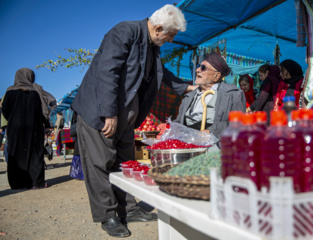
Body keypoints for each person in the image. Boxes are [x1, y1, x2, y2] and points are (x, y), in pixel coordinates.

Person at [71, 4, 197, 238]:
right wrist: (108, 113)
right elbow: (107, 71)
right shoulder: (124, 32)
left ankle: (129, 209)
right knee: (100, 163)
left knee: (124, 161)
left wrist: (188, 87)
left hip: (126, 117)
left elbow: (163, 75)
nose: (170, 41)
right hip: (101, 112)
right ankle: (108, 215)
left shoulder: (152, 47)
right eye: (170, 36)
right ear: (158, 28)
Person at [2, 68, 56, 189]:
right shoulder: (37, 91)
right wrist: (46, 124)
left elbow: (4, 110)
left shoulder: (10, 92)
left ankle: (17, 183)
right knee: (35, 153)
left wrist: (13, 119)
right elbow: (45, 109)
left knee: (15, 153)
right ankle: (37, 183)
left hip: (15, 128)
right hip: (34, 127)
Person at [173, 52, 246, 139]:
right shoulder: (188, 97)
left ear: (216, 76)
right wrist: (169, 127)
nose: (197, 70)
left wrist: (212, 131)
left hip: (214, 148)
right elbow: (179, 122)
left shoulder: (233, 94)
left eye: (203, 68)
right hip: (188, 145)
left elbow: (239, 124)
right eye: (199, 66)